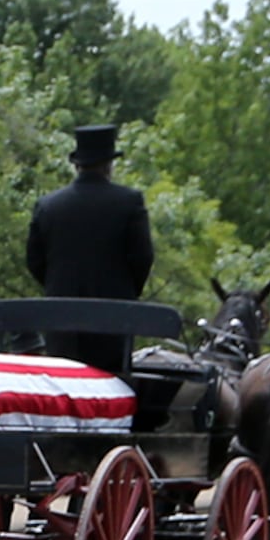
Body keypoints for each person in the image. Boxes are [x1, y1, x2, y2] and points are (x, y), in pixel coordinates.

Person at [24, 123, 157, 375]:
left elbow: (34, 261)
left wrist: (59, 289)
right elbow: (143, 258)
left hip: (60, 322)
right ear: (109, 165)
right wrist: (126, 294)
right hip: (113, 322)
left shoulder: (48, 205)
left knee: (63, 381)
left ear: (77, 164)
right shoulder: (129, 202)